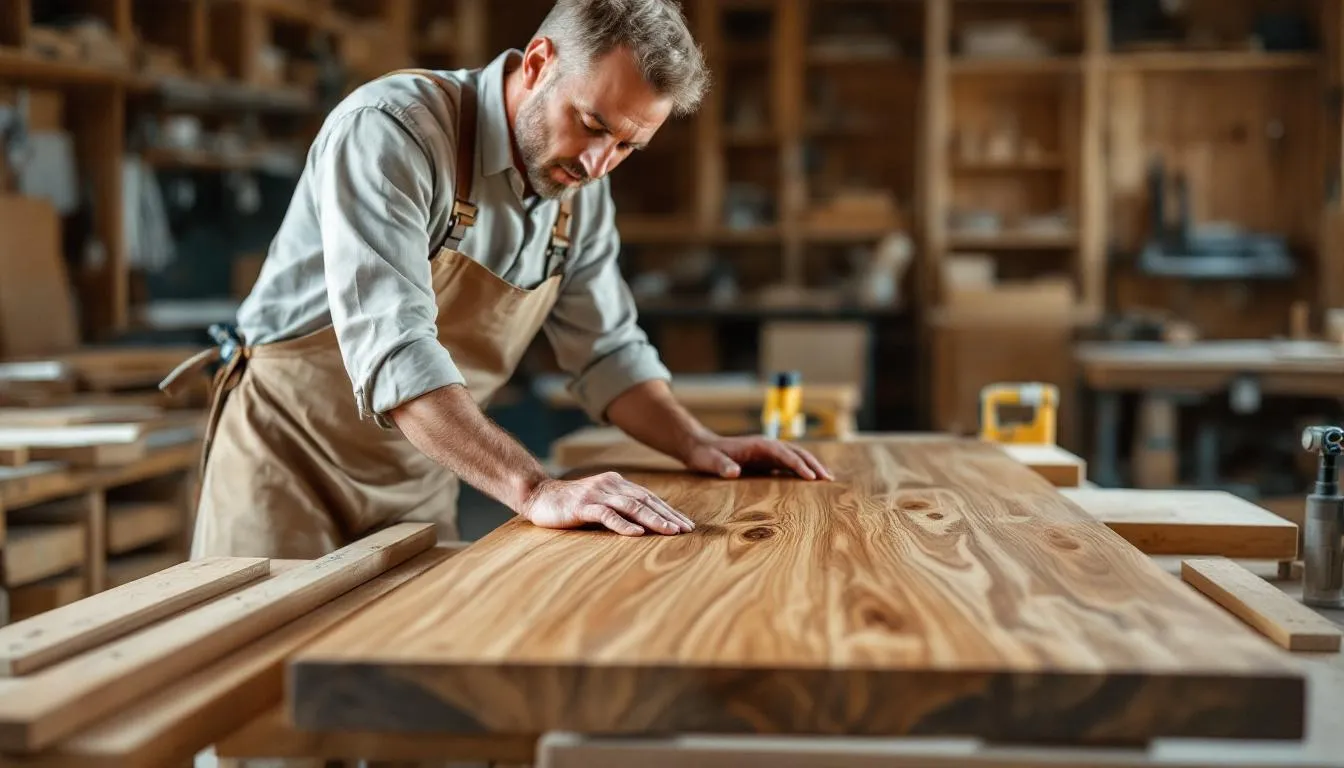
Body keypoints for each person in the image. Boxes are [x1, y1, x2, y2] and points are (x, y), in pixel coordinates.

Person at [164, 0, 833, 560]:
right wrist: (537, 489)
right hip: (286, 466)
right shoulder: (393, 132)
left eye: (629, 146)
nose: (602, 163)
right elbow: (396, 352)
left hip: (421, 473)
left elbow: (607, 353)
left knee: (402, 699)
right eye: (593, 124)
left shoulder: (581, 192)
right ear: (538, 63)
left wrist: (699, 443)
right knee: (263, 702)